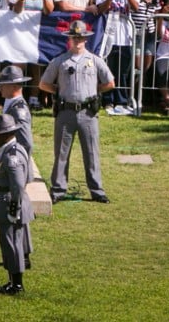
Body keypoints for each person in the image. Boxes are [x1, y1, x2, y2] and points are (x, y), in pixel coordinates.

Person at [39, 20, 114, 205]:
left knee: (91, 153)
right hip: (66, 112)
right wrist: (58, 90)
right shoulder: (60, 61)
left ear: (86, 39)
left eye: (81, 37)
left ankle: (97, 190)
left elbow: (110, 82)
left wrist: (95, 90)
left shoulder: (95, 61)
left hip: (88, 113)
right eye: (75, 37)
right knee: (61, 153)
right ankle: (58, 189)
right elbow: (43, 83)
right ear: (70, 39)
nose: (78, 40)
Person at [0, 113, 34, 296]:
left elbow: (17, 186)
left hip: (10, 202)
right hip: (9, 200)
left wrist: (13, 210)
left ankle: (16, 284)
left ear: (6, 134)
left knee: (11, 243)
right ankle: (13, 280)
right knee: (11, 242)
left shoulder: (11, 156)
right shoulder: (17, 149)